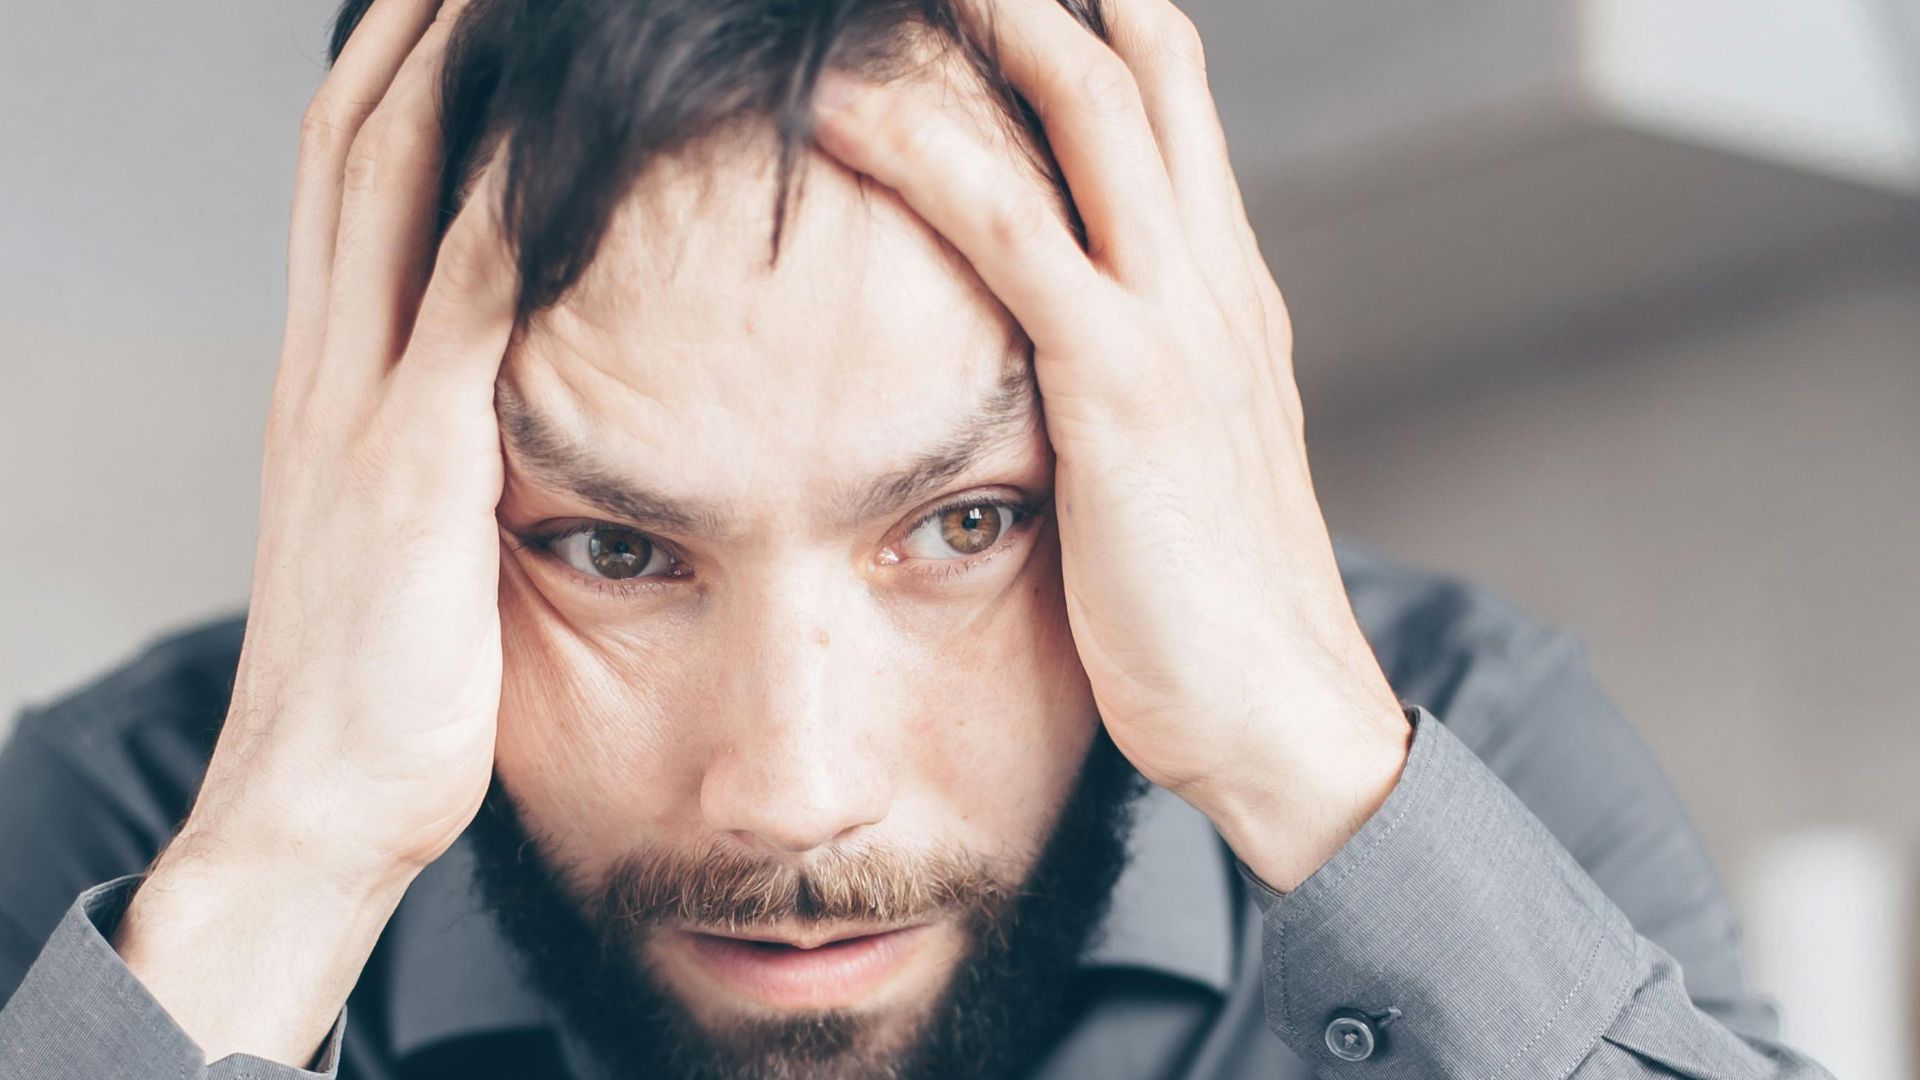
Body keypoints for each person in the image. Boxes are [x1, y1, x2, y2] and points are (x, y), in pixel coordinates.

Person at [0, 0, 1837, 1077]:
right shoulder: (131, 846)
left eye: (967, 522)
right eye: (614, 550)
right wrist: (280, 881)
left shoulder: (1468, 734)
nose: (794, 796)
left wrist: (1312, 757)